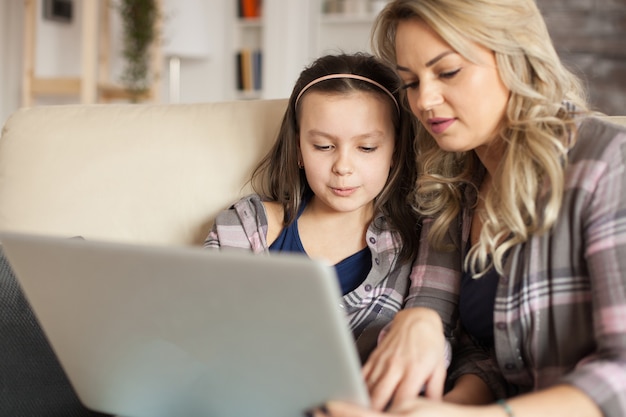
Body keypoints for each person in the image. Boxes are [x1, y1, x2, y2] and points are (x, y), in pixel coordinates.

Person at [318, 0, 626, 417]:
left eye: (448, 72)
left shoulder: (608, 164)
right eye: (410, 82)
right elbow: (472, 343)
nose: (425, 100)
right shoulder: (454, 183)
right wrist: (424, 330)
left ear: (515, 58)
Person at [204, 53, 423, 365]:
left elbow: (443, 343)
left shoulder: (416, 245)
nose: (343, 167)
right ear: (298, 150)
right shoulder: (242, 228)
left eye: (366, 148)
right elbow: (201, 329)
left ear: (395, 151)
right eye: (323, 146)